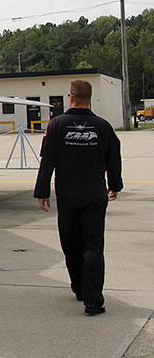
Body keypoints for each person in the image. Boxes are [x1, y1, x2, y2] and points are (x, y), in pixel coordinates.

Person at [34, 80, 123, 316]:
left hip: (68, 195)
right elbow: (114, 157)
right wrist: (115, 185)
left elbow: (48, 159)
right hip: (94, 194)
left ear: (70, 97)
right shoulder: (103, 127)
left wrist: (42, 191)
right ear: (89, 98)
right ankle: (93, 300)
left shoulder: (57, 125)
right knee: (93, 246)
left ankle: (80, 288)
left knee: (71, 243)